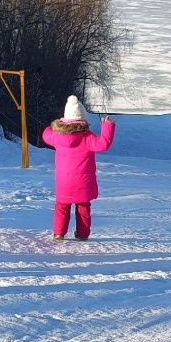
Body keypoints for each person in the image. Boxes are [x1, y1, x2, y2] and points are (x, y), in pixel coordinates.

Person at [42, 95, 116, 241]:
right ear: (82, 119)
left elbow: (46, 135)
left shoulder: (57, 136)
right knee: (83, 208)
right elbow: (103, 144)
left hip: (64, 182)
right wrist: (107, 127)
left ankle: (58, 233)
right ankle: (82, 234)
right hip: (83, 182)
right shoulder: (87, 138)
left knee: (61, 207)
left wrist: (54, 126)